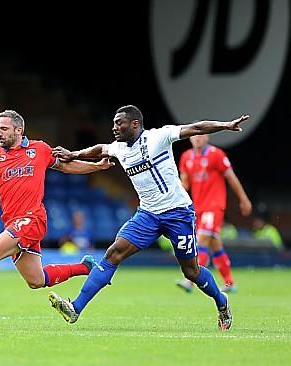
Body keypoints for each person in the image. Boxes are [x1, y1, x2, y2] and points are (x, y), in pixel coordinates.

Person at [48, 105, 249, 330]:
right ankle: (75, 308)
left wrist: (225, 125)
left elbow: (195, 128)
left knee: (191, 271)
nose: (114, 127)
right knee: (113, 253)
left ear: (135, 123)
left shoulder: (158, 137)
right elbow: (100, 149)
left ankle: (221, 301)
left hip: (178, 213)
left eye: (119, 123)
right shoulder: (120, 148)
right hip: (148, 215)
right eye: (114, 123)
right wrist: (73, 154)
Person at [0, 109, 114, 322]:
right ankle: (85, 266)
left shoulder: (39, 149)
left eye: (4, 129)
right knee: (36, 280)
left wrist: (96, 167)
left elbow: (66, 166)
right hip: (12, 223)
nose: (0, 133)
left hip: (32, 219)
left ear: (18, 130)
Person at [175, 134, 252, 294]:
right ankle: (230, 283)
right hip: (198, 208)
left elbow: (231, 178)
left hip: (214, 206)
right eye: (194, 136)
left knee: (201, 239)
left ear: (207, 137)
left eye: (200, 136)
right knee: (215, 244)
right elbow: (184, 184)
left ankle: (190, 281)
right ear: (190, 139)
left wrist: (243, 199)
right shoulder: (186, 157)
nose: (197, 139)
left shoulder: (216, 154)